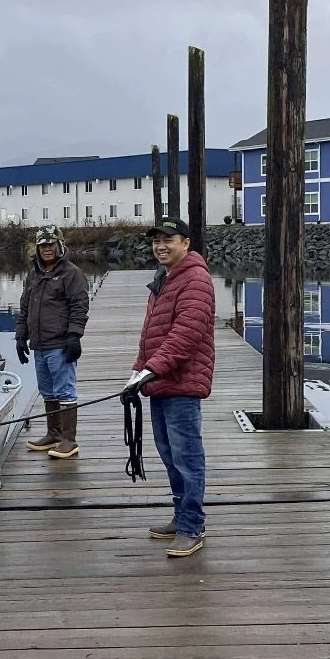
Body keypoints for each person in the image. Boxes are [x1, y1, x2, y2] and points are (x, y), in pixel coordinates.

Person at [121, 216, 215, 557]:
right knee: (170, 456)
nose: (160, 246)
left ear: (186, 243)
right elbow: (153, 335)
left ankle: (192, 527)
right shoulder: (166, 279)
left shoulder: (196, 280)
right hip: (161, 382)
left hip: (182, 385)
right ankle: (181, 516)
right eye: (156, 240)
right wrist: (138, 371)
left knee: (188, 458)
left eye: (168, 239)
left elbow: (185, 335)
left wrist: (151, 369)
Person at [15, 225, 90, 460]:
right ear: (37, 248)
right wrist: (20, 336)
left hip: (60, 343)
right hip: (39, 344)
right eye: (42, 245)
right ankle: (54, 433)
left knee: (65, 391)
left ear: (60, 245)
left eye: (51, 244)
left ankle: (69, 440)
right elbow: (25, 306)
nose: (47, 248)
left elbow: (80, 307)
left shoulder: (72, 273)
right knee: (47, 391)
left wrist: (74, 336)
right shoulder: (33, 274)